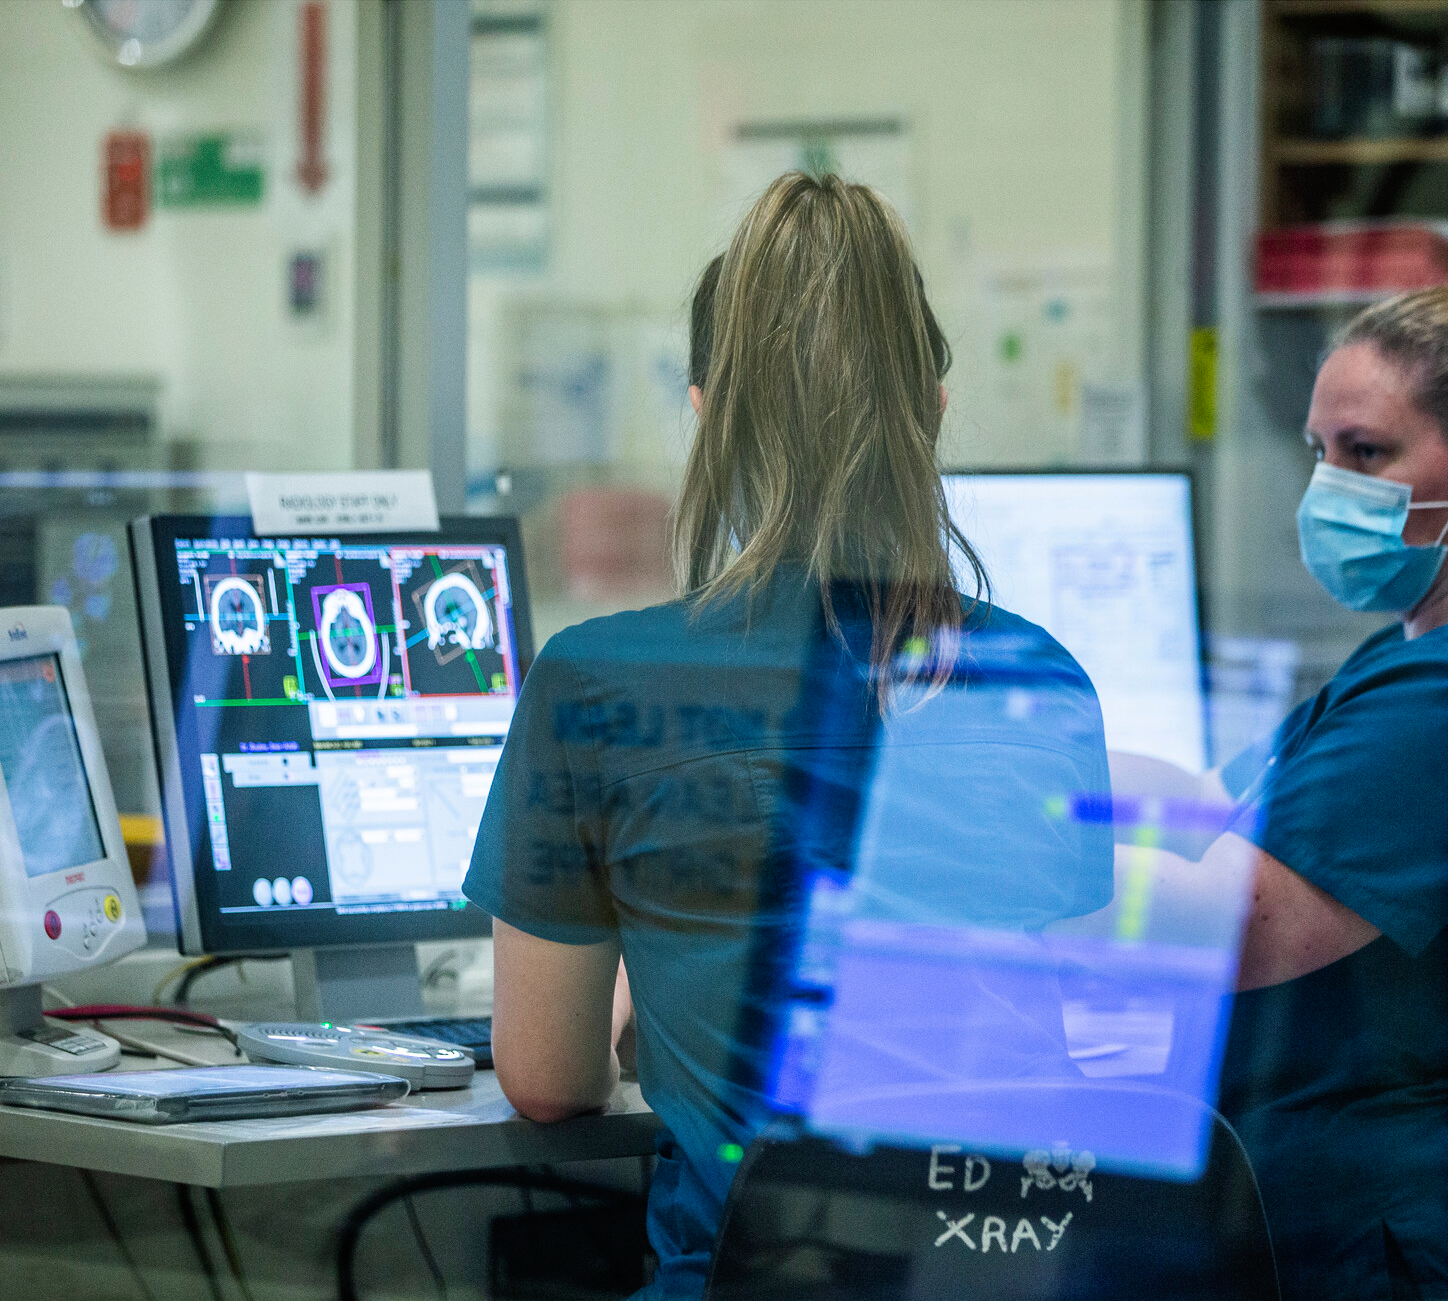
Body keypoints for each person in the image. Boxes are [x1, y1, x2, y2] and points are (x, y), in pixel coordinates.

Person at [461, 171, 1113, 1299]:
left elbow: (547, 1081)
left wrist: (642, 989)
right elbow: (1053, 1025)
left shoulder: (599, 684)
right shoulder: (1038, 678)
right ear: (936, 409)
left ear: (707, 410)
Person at [1113, 285, 1448, 1297]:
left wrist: (992, 860)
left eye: (1366, 453)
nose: (1328, 486)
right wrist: (1034, 764)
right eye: (1319, 451)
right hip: (1354, 1208)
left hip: (1428, 1233)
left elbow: (1238, 921)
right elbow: (1206, 806)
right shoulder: (1419, 652)